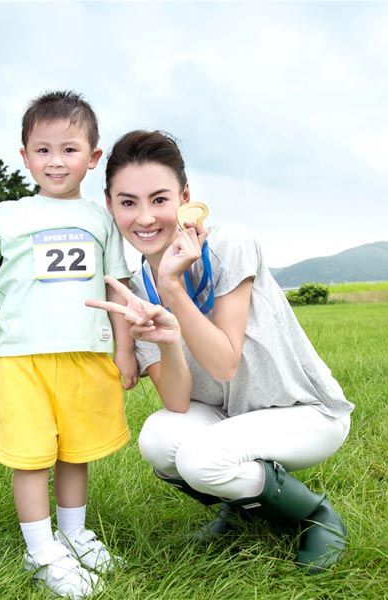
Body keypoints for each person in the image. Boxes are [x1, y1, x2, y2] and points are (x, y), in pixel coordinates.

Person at [87, 130, 354, 573]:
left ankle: (315, 517)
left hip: (305, 414)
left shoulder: (230, 244)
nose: (146, 217)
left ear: (186, 196)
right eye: (128, 202)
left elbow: (224, 363)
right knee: (158, 439)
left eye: (159, 199)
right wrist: (167, 341)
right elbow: (176, 401)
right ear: (110, 205)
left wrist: (173, 287)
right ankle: (242, 509)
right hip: (232, 419)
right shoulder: (133, 288)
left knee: (200, 459)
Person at [0, 91, 136, 599]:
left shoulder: (102, 220)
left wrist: (124, 349)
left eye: (70, 149)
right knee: (30, 455)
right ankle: (41, 550)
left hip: (87, 354)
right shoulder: (7, 214)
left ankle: (74, 536)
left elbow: (114, 287)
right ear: (25, 155)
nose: (57, 161)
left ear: (93, 158)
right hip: (22, 357)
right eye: (44, 149)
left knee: (76, 452)